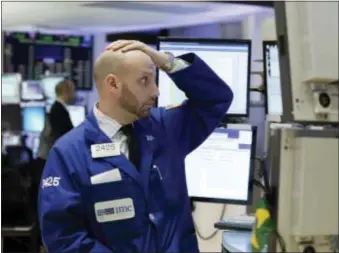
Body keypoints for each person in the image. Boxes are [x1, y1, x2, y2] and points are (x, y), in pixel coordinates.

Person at [38, 40, 234, 253]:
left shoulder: (166, 128)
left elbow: (216, 99)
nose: (155, 91)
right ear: (113, 84)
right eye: (144, 81)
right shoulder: (69, 153)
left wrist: (165, 61)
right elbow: (64, 238)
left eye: (154, 79)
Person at [37, 79, 76, 164]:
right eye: (73, 91)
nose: (74, 94)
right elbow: (65, 135)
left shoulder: (57, 108)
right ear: (66, 92)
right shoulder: (59, 111)